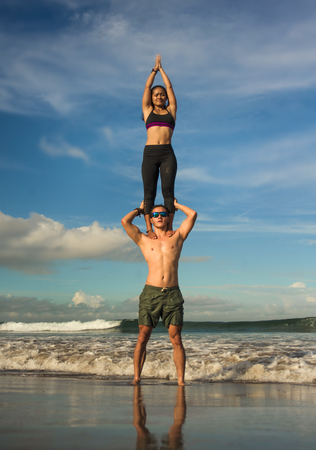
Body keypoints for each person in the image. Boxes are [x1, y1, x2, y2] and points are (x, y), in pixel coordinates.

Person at [121, 199, 197, 386]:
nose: (160, 217)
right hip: (151, 293)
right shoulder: (144, 239)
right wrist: (140, 209)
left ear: (168, 217)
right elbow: (125, 222)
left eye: (163, 214)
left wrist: (176, 205)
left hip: (173, 293)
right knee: (143, 336)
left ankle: (181, 381)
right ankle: (137, 377)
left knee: (176, 338)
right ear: (151, 220)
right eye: (155, 215)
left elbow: (192, 214)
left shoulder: (178, 236)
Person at [142, 55, 177, 239]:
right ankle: (149, 229)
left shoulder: (171, 111)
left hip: (167, 154)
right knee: (149, 193)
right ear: (152, 98)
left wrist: (162, 70)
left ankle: (169, 226)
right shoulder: (147, 111)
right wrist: (153, 71)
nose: (159, 96)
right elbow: (147, 87)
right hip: (150, 154)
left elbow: (170, 88)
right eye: (156, 94)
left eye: (161, 94)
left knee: (168, 191)